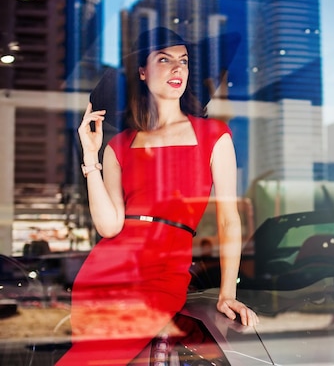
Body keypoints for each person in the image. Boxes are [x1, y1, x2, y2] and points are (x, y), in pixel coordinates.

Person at [56, 27, 258, 365]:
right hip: (105, 271)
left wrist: (228, 293)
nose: (177, 68)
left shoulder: (214, 135)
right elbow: (109, 227)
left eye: (184, 61)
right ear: (142, 71)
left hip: (164, 272)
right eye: (164, 60)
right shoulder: (119, 145)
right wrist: (90, 157)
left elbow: (228, 219)